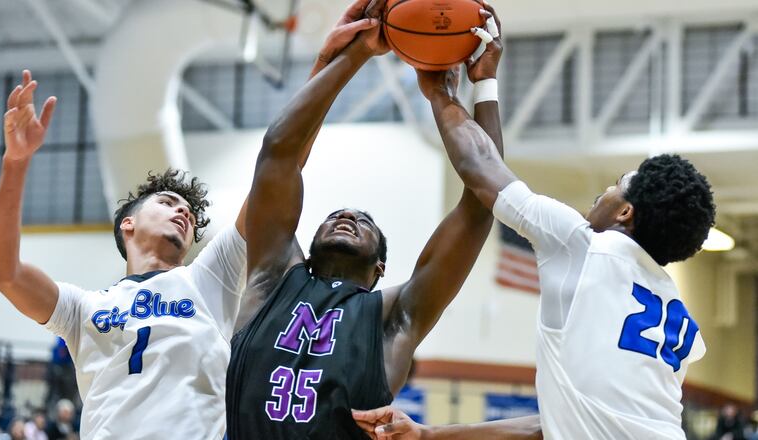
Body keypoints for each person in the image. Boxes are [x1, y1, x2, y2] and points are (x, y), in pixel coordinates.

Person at [0, 15, 363, 436]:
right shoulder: (82, 309)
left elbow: (280, 168)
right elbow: (6, 271)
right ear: (127, 223)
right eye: (167, 202)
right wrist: (15, 163)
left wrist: (329, 61)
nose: (183, 212)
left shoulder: (208, 278)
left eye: (190, 213)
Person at [355, 7, 716, 440]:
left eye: (616, 186)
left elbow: (481, 166)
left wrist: (441, 93)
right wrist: (430, 435)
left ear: (626, 213)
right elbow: (557, 424)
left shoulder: (583, 247)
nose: (603, 192)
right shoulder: (677, 319)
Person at [225, 1, 540, 438]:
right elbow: (278, 151)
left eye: (364, 222)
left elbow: (481, 203)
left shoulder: (395, 317)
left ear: (380, 270)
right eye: (336, 215)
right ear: (309, 247)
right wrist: (356, 52)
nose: (349, 215)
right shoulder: (273, 277)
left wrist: (471, 88)